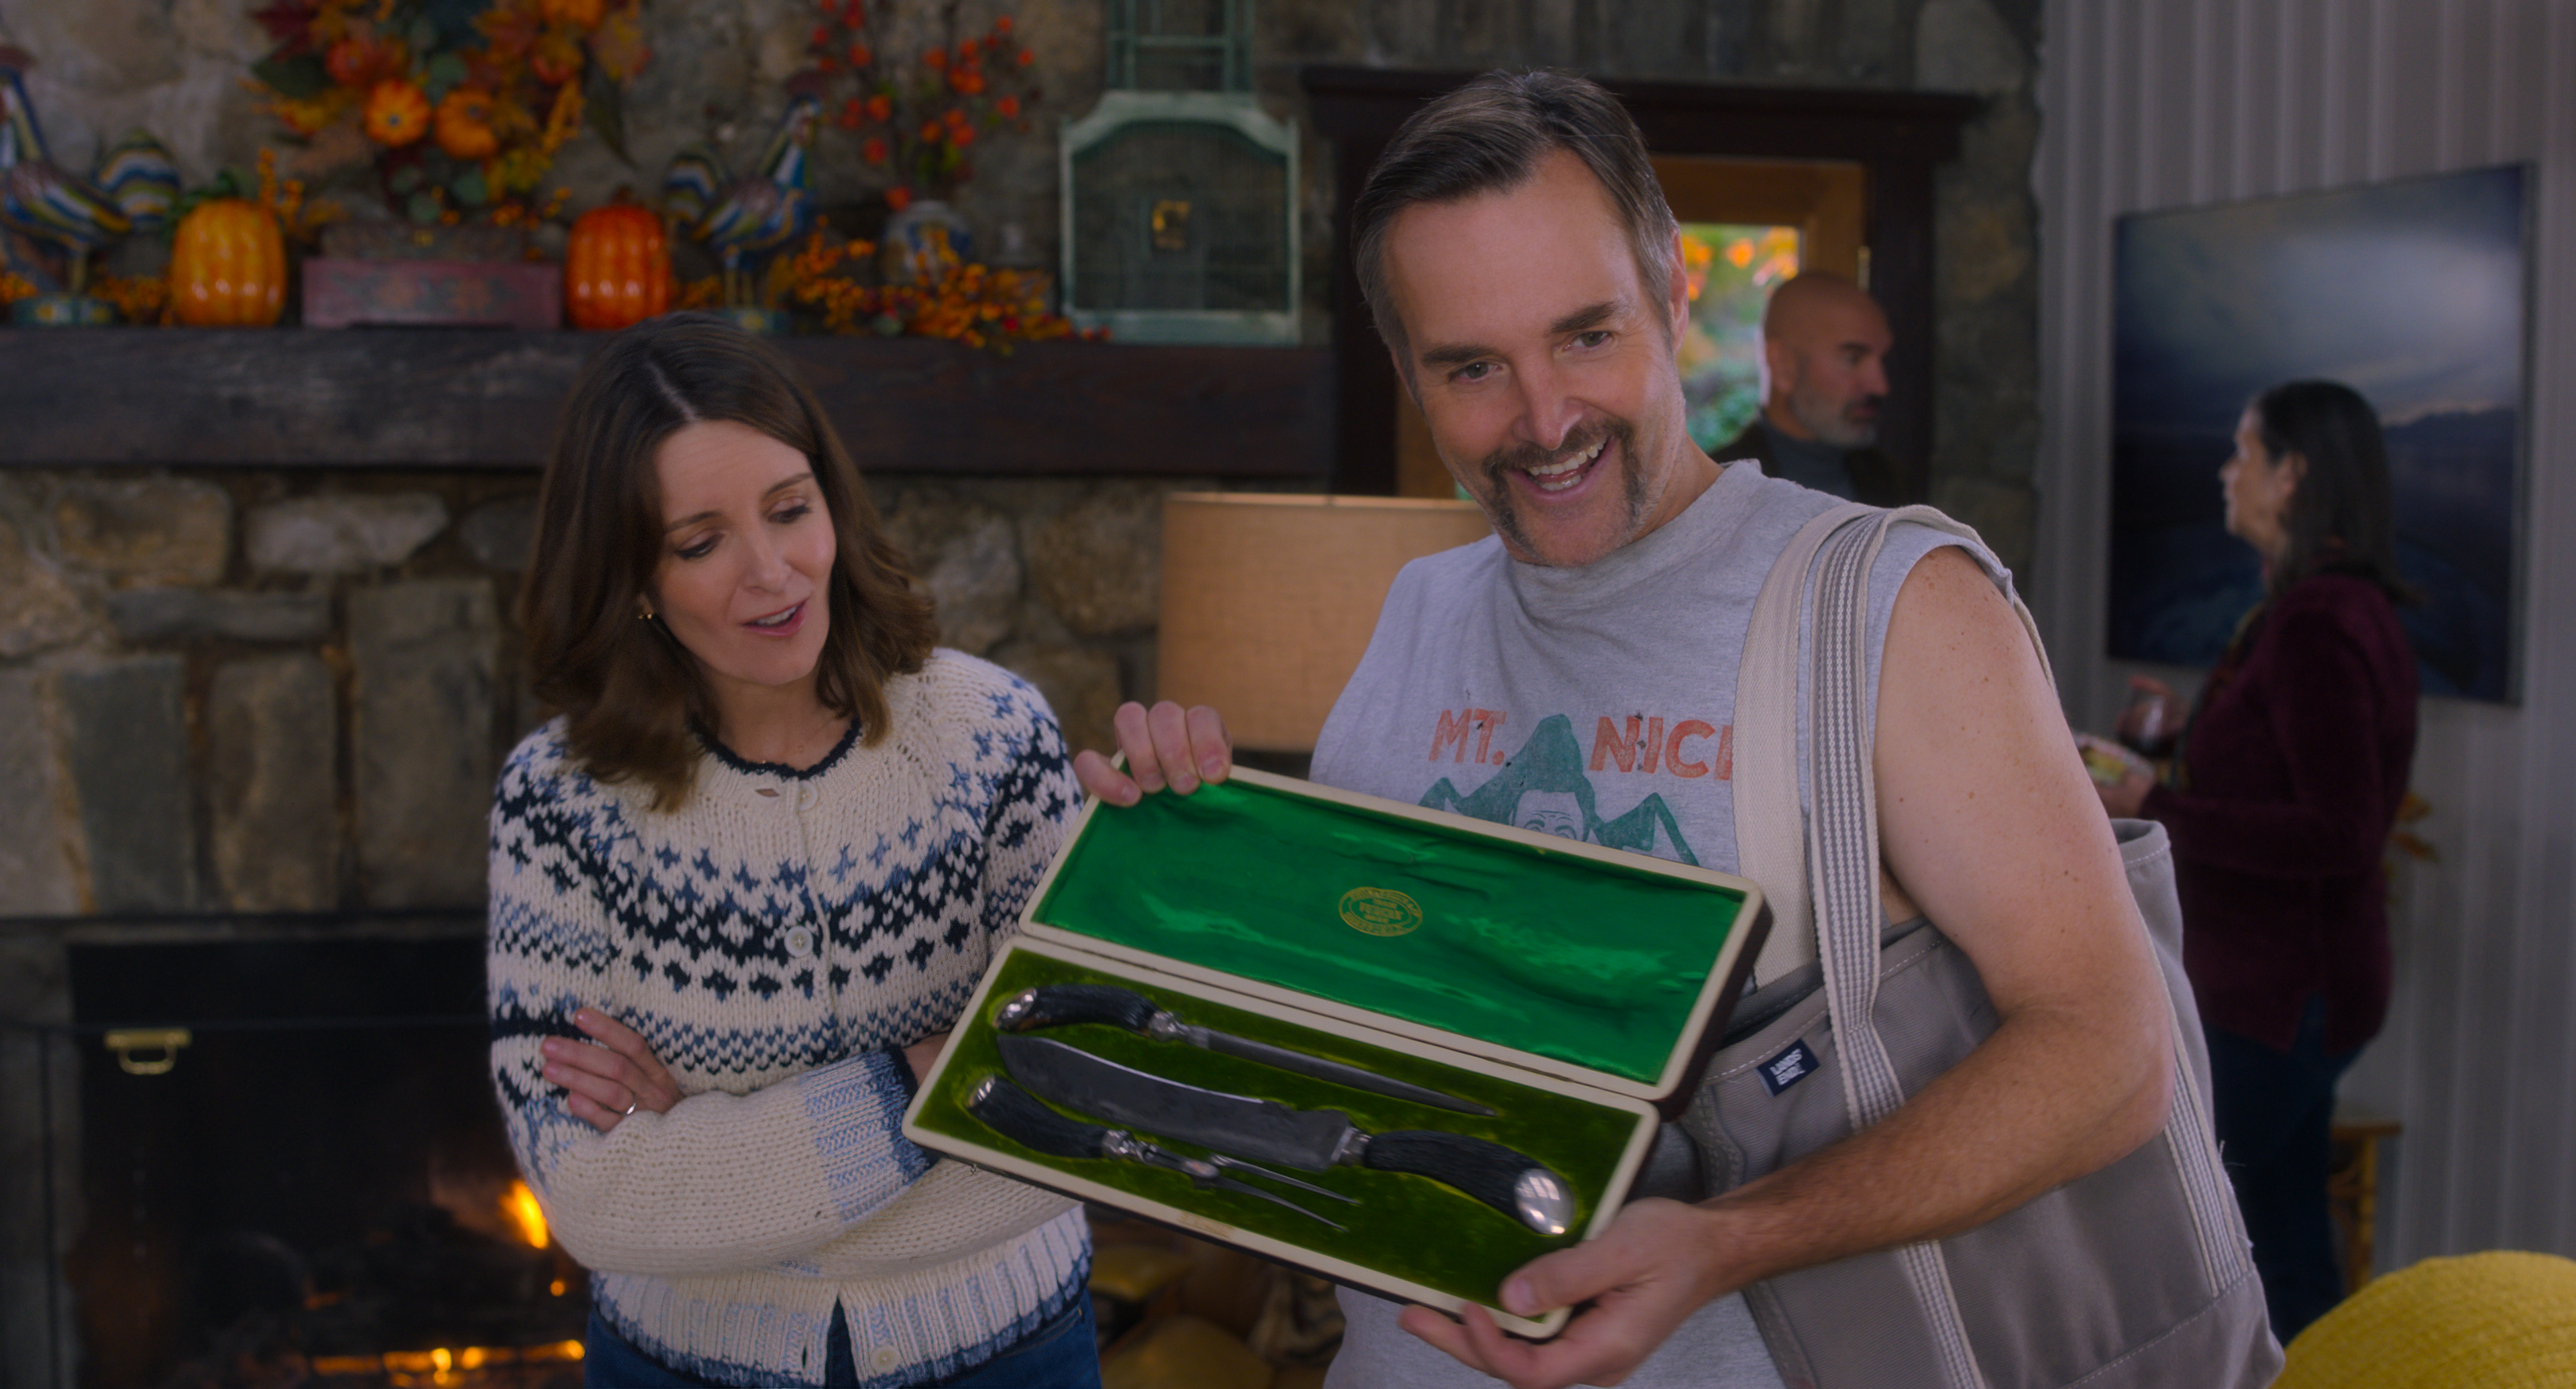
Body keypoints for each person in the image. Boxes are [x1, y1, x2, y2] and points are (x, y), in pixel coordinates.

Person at [1077, 71, 2262, 1389]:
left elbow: (2109, 1053)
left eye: (1587, 336)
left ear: (1676, 297)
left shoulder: (1885, 604)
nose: (1543, 420)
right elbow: (1361, 1035)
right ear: (1409, 374)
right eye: (1474, 366)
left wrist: (1727, 1241)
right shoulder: (1418, 609)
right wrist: (1182, 888)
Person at [486, 314, 1099, 1388]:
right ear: (635, 579)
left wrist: (713, 1158)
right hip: (681, 1366)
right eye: (700, 541)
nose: (772, 573)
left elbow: (1074, 1120)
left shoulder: (993, 734)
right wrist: (922, 1083)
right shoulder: (560, 802)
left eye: (789, 509)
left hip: (1009, 1352)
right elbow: (589, 1196)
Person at [2093, 380, 2420, 1339]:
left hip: (2281, 1002)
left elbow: (2340, 831)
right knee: (2285, 1255)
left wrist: (2155, 804)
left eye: (2242, 451)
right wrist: (2178, 743)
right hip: (2289, 994)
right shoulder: (2322, 608)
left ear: (2293, 473)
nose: (2225, 472)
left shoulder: (2320, 621)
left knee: (2171, 1238)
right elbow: (2293, 777)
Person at [1707, 271, 1902, 504]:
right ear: (1784, 365)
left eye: (1883, 361)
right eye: (1853, 358)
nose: (1880, 386)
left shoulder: (1893, 482)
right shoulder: (1716, 490)